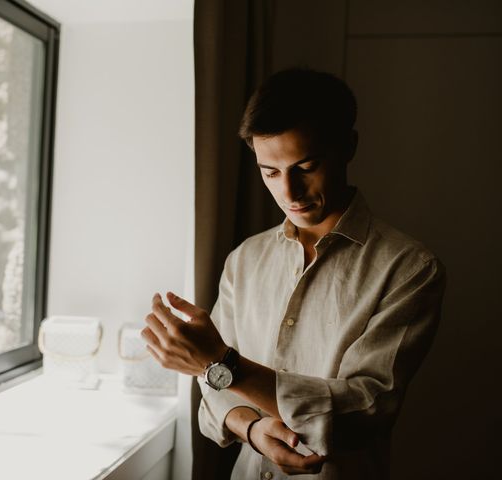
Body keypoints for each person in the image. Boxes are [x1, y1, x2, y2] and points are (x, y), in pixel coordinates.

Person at [142, 67, 446, 479]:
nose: (289, 192)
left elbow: (367, 408)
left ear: (348, 147)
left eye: (306, 167)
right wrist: (250, 427)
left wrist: (219, 361)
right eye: (270, 172)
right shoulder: (245, 260)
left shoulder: (410, 269)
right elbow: (214, 388)